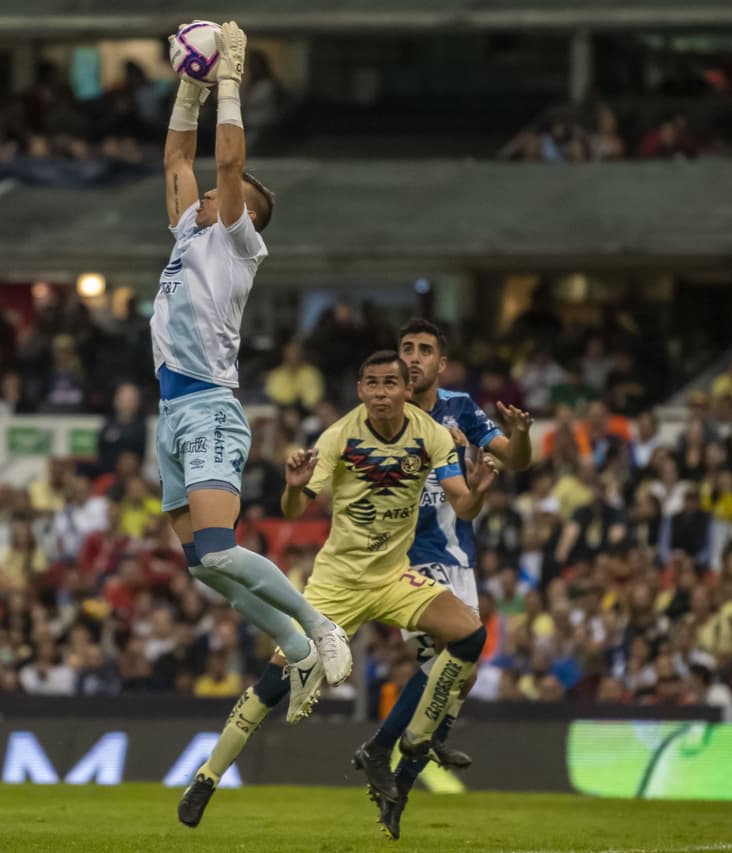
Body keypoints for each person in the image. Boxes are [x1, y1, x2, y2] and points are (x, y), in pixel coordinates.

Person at [177, 351, 492, 828]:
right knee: (273, 684)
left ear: (407, 390)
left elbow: (463, 507)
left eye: (391, 383)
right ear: (359, 390)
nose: (382, 392)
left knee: (470, 634)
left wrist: (480, 489)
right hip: (336, 585)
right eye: (372, 383)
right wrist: (292, 487)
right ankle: (206, 777)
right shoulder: (339, 437)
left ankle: (414, 739)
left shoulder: (429, 434)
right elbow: (292, 512)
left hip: (392, 577)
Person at [157, 19, 350, 727]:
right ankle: (297, 645)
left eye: (218, 194)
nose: (204, 194)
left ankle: (319, 624)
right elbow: (177, 156)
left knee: (217, 547)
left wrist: (230, 79)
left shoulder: (236, 244)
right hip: (172, 411)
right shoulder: (189, 235)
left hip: (209, 404)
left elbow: (225, 168)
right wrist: (190, 85)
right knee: (203, 566)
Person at [355, 318, 534, 838]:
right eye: (406, 348)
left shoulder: (460, 408)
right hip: (408, 556)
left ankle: (401, 783)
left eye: (423, 350)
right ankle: (384, 746)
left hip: (458, 556)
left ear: (440, 363)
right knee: (453, 656)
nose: (412, 357)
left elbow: (515, 461)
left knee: (461, 673)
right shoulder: (385, 415)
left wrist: (519, 438)